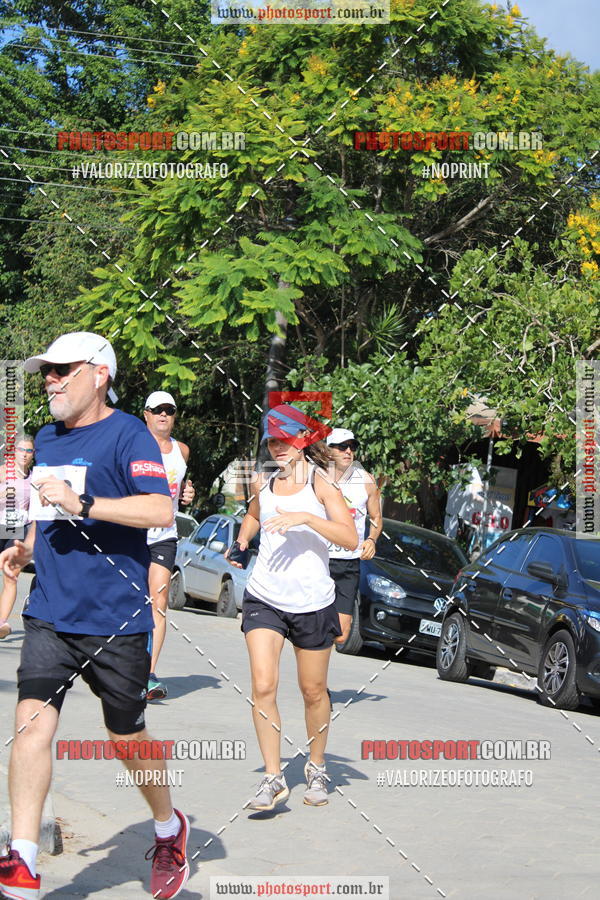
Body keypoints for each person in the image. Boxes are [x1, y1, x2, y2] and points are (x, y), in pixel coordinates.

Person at [0, 332, 189, 900]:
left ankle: (168, 828)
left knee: (125, 737)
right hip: (50, 613)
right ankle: (22, 860)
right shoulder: (47, 437)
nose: (50, 380)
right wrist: (27, 550)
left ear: (99, 374)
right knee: (30, 724)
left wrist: (83, 503)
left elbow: (159, 508)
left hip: (115, 618)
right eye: (46, 371)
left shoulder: (130, 433)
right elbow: (48, 512)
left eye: (62, 370)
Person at [227, 404, 357, 812]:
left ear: (302, 440)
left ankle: (316, 766)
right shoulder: (262, 481)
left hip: (312, 602)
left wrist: (306, 518)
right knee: (263, 686)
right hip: (264, 597)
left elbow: (350, 538)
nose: (278, 447)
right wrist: (242, 541)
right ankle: (272, 777)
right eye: (272, 441)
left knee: (313, 691)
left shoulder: (321, 483)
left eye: (285, 439)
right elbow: (254, 515)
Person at [143, 391, 195, 701]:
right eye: (157, 409)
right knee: (126, 600)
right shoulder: (133, 445)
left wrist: (188, 493)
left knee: (159, 601)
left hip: (164, 535)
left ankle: (148, 674)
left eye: (169, 410)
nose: (164, 415)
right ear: (146, 414)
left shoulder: (182, 450)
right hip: (133, 532)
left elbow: (181, 487)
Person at [325, 428, 382, 646]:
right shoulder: (316, 478)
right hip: (319, 559)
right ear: (328, 450)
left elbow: (376, 518)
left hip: (348, 563)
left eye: (352, 446)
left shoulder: (366, 480)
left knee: (341, 634)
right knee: (309, 621)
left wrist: (371, 539)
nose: (348, 451)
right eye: (342, 447)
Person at [0, 434, 35, 639]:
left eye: (29, 450)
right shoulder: (3, 472)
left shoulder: (34, 477)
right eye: (21, 449)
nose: (24, 454)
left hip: (17, 529)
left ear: (33, 454)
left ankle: (1, 623)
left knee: (11, 574)